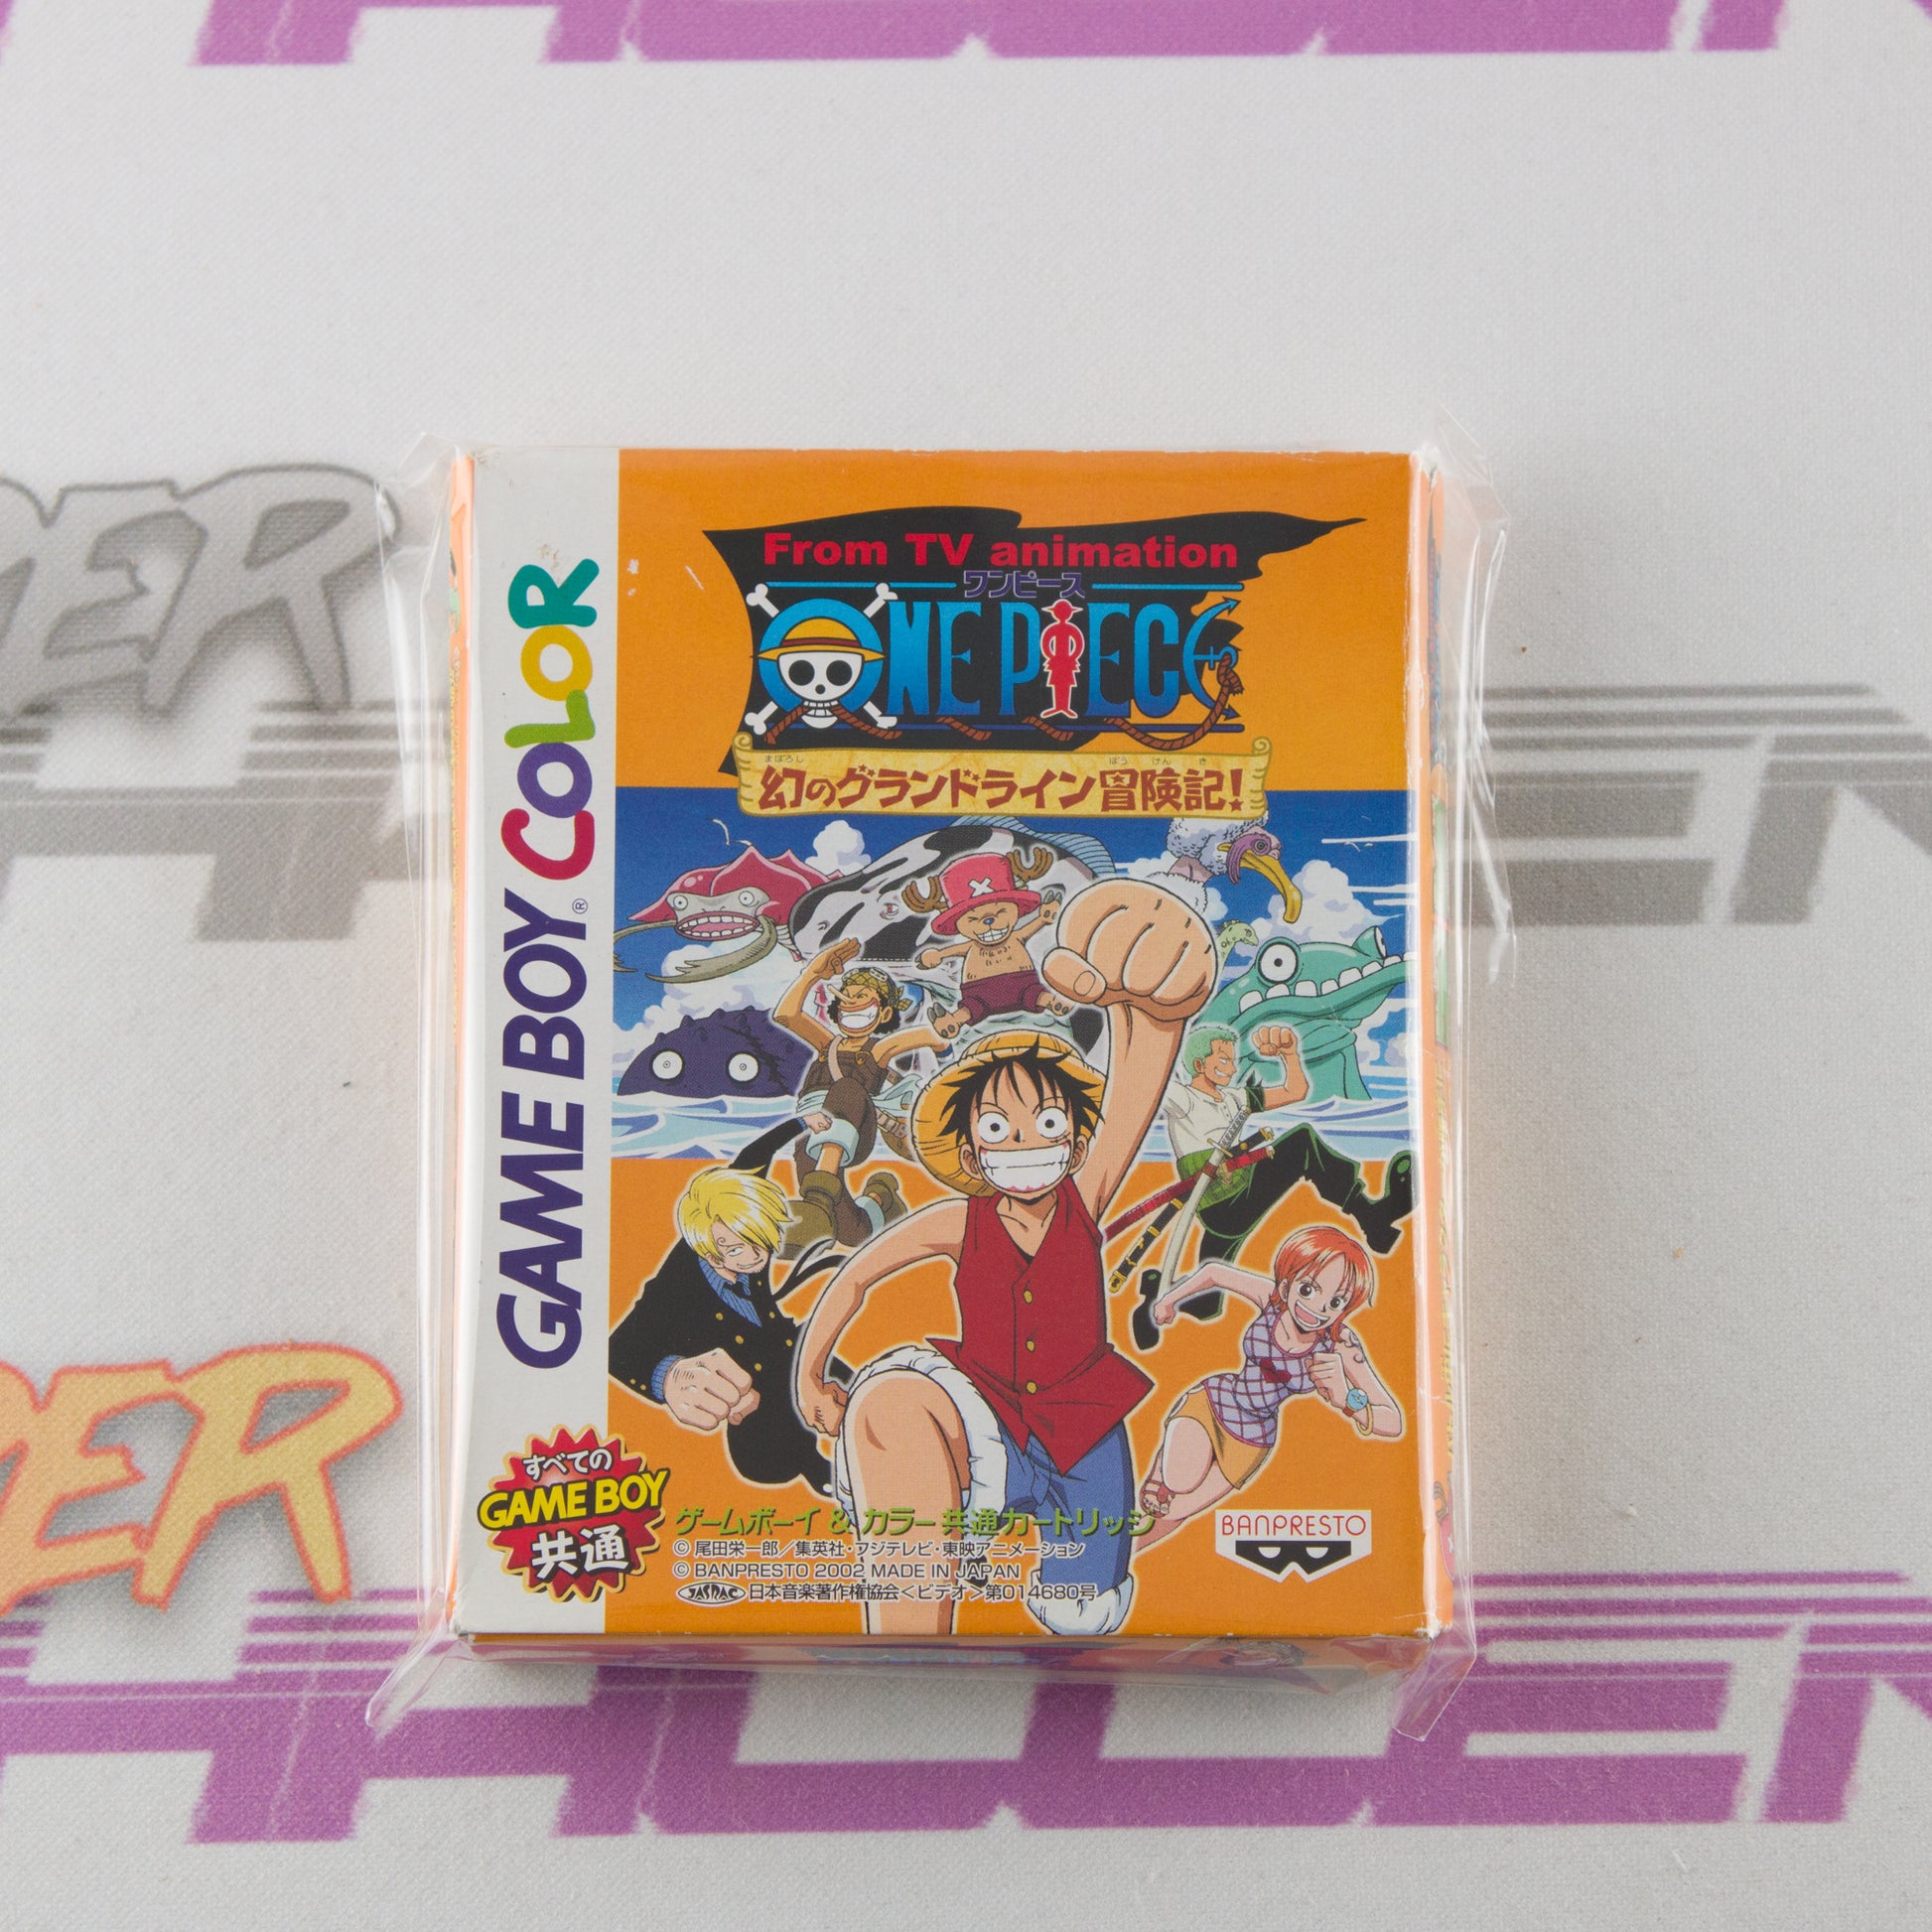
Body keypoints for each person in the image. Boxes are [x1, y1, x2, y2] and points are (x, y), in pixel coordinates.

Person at [792, 880, 1216, 1637]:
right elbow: (856, 1277)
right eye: (998, 1125)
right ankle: (907, 1646)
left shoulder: (1084, 1194)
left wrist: (1158, 1004)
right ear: (971, 1150)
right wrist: (810, 1374)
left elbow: (1134, 1089)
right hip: (982, 1411)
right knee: (891, 1407)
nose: (1024, 1140)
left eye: (1045, 1122)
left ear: (1074, 1140)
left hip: (1085, 1435)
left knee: (1082, 1612)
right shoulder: (958, 1220)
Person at [1130, 1021, 1413, 1348]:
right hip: (1221, 1200)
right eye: (1223, 1060)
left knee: (1207, 1305)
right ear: (1198, 1064)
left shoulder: (1235, 1098)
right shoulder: (1183, 1098)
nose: (1232, 1068)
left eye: (1233, 1060)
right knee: (1302, 1144)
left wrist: (1289, 1054)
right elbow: (1144, 1086)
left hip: (1240, 1191)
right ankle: (1370, 1216)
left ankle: (1154, 1293)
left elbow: (1295, 1092)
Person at [1135, 1225, 1403, 1552]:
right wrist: (1170, 1301)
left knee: (1175, 1511)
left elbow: (1393, 1420)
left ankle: (1122, 1557)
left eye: (1335, 1302)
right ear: (1289, 1283)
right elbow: (1216, 1272)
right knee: (1179, 1479)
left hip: (1252, 1439)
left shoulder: (1339, 1343)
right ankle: (1161, 1476)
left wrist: (1348, 1400)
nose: (1319, 1308)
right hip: (1215, 1401)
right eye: (1309, 1289)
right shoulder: (1274, 1300)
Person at [608, 1124, 842, 1492]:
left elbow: (752, 1159)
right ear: (708, 1247)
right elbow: (618, 1350)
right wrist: (669, 1378)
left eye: (759, 1241)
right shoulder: (676, 1283)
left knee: (855, 1384)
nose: (754, 1257)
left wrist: (800, 1124)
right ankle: (812, 1463)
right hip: (754, 1390)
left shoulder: (740, 1222)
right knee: (769, 1464)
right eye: (735, 1249)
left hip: (785, 1344)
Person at [773, 943, 945, 1248]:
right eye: (847, 997)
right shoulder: (828, 1044)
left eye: (863, 997)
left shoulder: (879, 1049)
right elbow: (786, 1015)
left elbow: (933, 1037)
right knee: (849, 1232)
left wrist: (944, 1034)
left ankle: (818, 1198)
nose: (852, 1003)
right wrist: (814, 973)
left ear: (884, 1012)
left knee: (847, 1089)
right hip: (812, 1130)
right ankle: (881, 1196)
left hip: (855, 1124)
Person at [907, 848, 1070, 1032]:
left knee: (1036, 994)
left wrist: (1044, 917)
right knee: (970, 1007)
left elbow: (1034, 926)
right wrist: (937, 956)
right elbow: (948, 952)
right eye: (972, 918)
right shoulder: (972, 946)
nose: (989, 922)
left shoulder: (1015, 937)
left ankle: (1053, 1002)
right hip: (979, 992)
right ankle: (953, 1022)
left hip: (1022, 984)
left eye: (1001, 911)